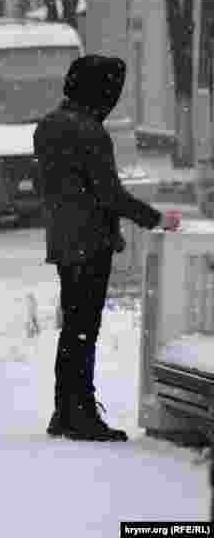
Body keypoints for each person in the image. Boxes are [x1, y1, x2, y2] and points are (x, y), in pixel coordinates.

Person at [34, 54, 181, 442]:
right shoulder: (89, 131)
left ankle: (64, 409)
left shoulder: (48, 125)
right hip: (90, 243)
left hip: (64, 242)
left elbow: (53, 186)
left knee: (73, 330)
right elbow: (110, 194)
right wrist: (156, 218)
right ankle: (81, 412)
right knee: (84, 330)